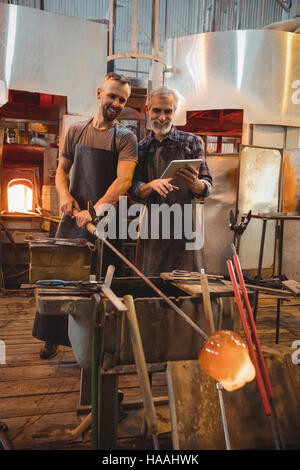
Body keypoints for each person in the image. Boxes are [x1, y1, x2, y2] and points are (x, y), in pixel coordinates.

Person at [33, 72, 138, 358]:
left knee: (102, 281)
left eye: (122, 99)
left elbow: (124, 180)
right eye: (112, 95)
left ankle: (99, 342)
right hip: (72, 217)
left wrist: (95, 210)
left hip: (105, 222)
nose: (116, 103)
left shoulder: (125, 138)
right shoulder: (76, 131)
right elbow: (62, 171)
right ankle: (52, 336)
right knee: (60, 275)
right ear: (99, 93)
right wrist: (65, 197)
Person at [130, 86, 212, 276]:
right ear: (147, 110)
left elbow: (207, 186)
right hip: (153, 228)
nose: (162, 117)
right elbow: (134, 191)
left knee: (187, 285)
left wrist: (196, 185)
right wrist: (150, 185)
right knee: (151, 283)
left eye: (168, 111)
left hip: (186, 228)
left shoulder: (191, 142)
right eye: (157, 110)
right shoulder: (140, 148)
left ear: (174, 111)